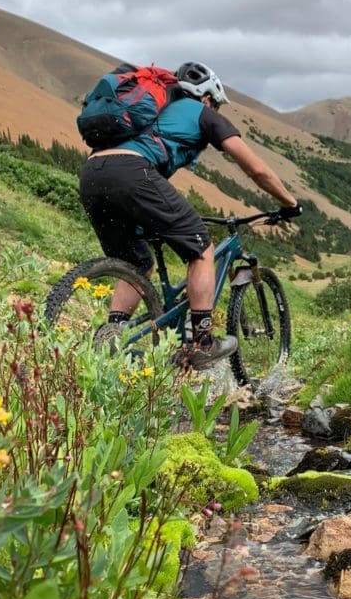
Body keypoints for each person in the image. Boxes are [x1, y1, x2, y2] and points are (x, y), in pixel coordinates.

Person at [78, 61, 301, 369]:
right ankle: (203, 343)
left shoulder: (152, 111)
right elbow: (256, 169)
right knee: (201, 249)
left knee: (136, 264)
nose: (215, 110)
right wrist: (289, 203)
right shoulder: (202, 113)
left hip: (92, 174)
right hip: (131, 173)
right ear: (207, 97)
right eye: (215, 105)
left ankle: (111, 337)